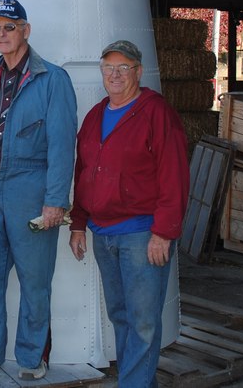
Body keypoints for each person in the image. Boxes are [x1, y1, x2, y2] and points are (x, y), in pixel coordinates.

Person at [0, 0, 77, 380]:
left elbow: (61, 144)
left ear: (26, 30)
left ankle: (31, 357)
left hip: (32, 186)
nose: (2, 35)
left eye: (9, 27)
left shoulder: (51, 79)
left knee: (34, 279)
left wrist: (56, 200)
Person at [68, 39, 190, 388]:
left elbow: (174, 174)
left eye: (124, 67)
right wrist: (78, 224)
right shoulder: (95, 116)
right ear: (102, 72)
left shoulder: (156, 112)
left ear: (138, 71)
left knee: (143, 322)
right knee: (121, 317)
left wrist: (164, 232)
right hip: (103, 234)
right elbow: (84, 172)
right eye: (109, 67)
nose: (115, 74)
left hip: (142, 235)